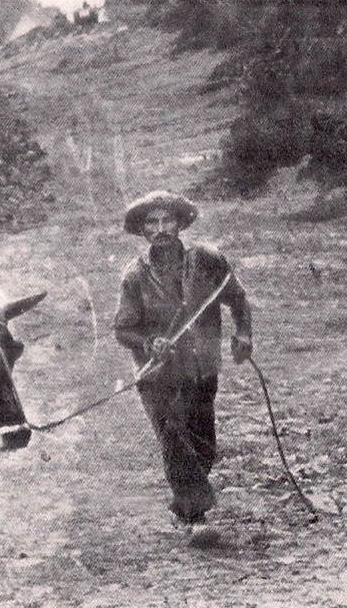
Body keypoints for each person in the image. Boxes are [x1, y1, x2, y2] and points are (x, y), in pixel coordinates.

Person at [113, 190, 252, 538]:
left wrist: (244, 334)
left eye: (167, 220)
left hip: (202, 369)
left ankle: (185, 504)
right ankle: (194, 518)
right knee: (174, 437)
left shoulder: (207, 261)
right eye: (152, 222)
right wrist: (148, 343)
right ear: (142, 230)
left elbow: (238, 299)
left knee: (204, 445)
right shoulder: (134, 277)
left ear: (180, 224)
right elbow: (122, 329)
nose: (160, 228)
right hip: (157, 377)